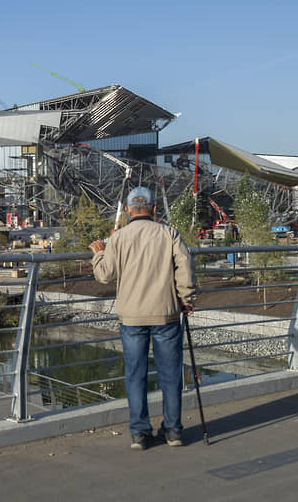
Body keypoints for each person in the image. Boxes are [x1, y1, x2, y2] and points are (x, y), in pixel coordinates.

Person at [89, 186, 196, 451]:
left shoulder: (119, 237)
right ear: (155, 208)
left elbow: (105, 275)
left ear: (127, 210)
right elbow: (185, 267)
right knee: (171, 375)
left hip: (132, 316)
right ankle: (173, 432)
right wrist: (186, 298)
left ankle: (139, 433)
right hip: (166, 313)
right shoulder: (169, 233)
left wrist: (98, 253)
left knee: (135, 374)